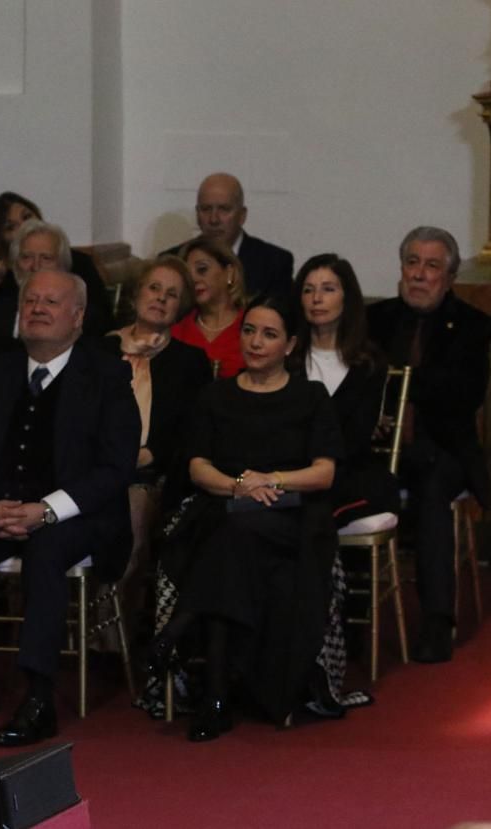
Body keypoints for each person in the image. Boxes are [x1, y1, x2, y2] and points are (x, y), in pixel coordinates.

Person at [0, 270, 140, 747]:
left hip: (80, 515)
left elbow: (115, 467)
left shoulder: (106, 375)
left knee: (46, 553)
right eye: (30, 301)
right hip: (1, 508)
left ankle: (39, 695)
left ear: (78, 316)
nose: (37, 309)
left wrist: (46, 510)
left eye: (51, 302)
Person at [148, 295, 342, 741]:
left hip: (291, 515)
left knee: (230, 539)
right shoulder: (216, 395)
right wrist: (239, 487)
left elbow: (324, 472)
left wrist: (269, 479)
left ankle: (184, 631)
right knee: (231, 538)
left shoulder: (309, 397)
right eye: (250, 331)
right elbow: (197, 467)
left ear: (291, 344)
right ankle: (215, 697)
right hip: (225, 508)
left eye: (269, 334)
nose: (256, 342)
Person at [366, 227, 491, 663]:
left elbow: (465, 393)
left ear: (451, 276)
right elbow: (358, 386)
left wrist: (402, 384)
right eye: (412, 263)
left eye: (432, 266)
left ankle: (437, 620)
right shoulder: (374, 320)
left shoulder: (473, 325)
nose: (419, 275)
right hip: (378, 446)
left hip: (442, 448)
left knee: (432, 483)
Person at [99, 256, 211, 639]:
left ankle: (111, 639)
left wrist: (151, 454)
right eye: (154, 289)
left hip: (151, 471)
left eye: (172, 294)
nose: (161, 299)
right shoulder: (101, 349)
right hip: (95, 466)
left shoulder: (189, 362)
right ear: (135, 294)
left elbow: (189, 433)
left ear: (180, 308)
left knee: (131, 512)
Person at [290, 253, 397, 526]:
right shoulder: (287, 358)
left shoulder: (369, 363)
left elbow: (356, 435)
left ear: (346, 298)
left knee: (311, 511)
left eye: (328, 289)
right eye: (308, 290)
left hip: (347, 472)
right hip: (290, 470)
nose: (316, 299)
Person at [162, 172, 294, 299]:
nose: (214, 219)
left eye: (224, 209)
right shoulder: (174, 260)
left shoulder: (274, 263)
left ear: (242, 215)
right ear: (197, 214)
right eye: (206, 209)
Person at [0, 219, 115, 341]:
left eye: (46, 258)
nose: (35, 266)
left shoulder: (83, 317)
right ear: (15, 264)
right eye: (26, 257)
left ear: (63, 265)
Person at [171, 237, 248, 378]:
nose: (194, 279)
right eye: (188, 276)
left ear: (229, 273)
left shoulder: (251, 326)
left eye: (202, 269)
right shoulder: (176, 331)